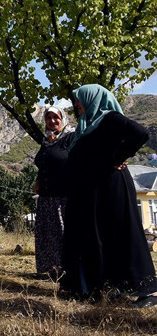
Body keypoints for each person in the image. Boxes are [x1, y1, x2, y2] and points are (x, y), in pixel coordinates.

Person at [61, 84, 157, 306]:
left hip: (112, 188)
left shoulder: (110, 118)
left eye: (79, 100)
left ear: (92, 98)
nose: (76, 105)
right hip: (93, 191)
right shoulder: (86, 126)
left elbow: (140, 133)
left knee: (123, 232)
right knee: (101, 238)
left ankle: (147, 291)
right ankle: (108, 286)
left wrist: (117, 157)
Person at [33, 106, 74, 278]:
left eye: (56, 118)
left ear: (63, 119)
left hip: (63, 195)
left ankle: (67, 270)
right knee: (47, 233)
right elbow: (44, 163)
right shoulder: (47, 140)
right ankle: (51, 270)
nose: (52, 121)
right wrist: (38, 179)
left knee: (62, 233)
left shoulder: (71, 138)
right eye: (48, 118)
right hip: (46, 195)